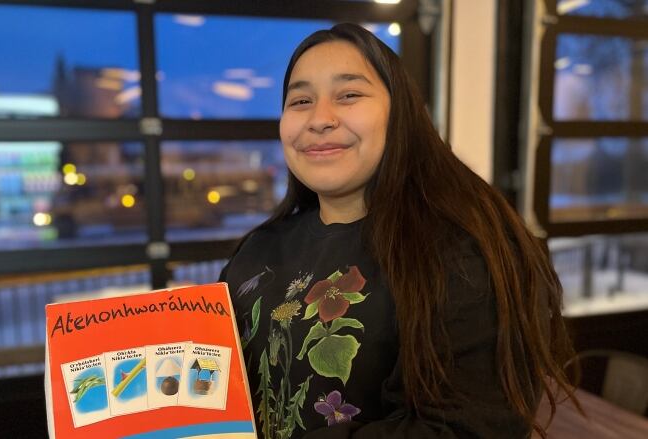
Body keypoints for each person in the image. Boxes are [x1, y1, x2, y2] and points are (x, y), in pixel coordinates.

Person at [219, 23, 578, 438]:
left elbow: (463, 430)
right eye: (300, 100)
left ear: (401, 113)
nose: (319, 119)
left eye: (349, 94)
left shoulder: (459, 256)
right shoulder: (259, 250)